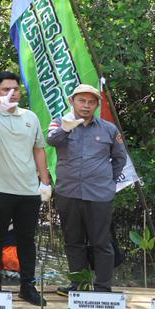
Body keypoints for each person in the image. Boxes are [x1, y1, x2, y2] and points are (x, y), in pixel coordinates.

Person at [0, 70, 51, 305]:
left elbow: (38, 148)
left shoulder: (30, 117)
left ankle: (28, 286)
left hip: (28, 190)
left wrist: (44, 181)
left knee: (27, 239)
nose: (11, 93)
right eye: (6, 89)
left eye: (15, 89)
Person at [48, 83, 127, 293]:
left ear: (97, 105)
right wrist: (66, 127)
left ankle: (102, 287)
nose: (86, 106)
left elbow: (119, 158)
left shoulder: (109, 129)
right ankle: (78, 284)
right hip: (68, 192)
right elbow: (51, 140)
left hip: (99, 195)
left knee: (101, 242)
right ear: (71, 101)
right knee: (73, 241)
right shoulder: (59, 123)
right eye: (81, 101)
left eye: (91, 102)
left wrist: (109, 182)